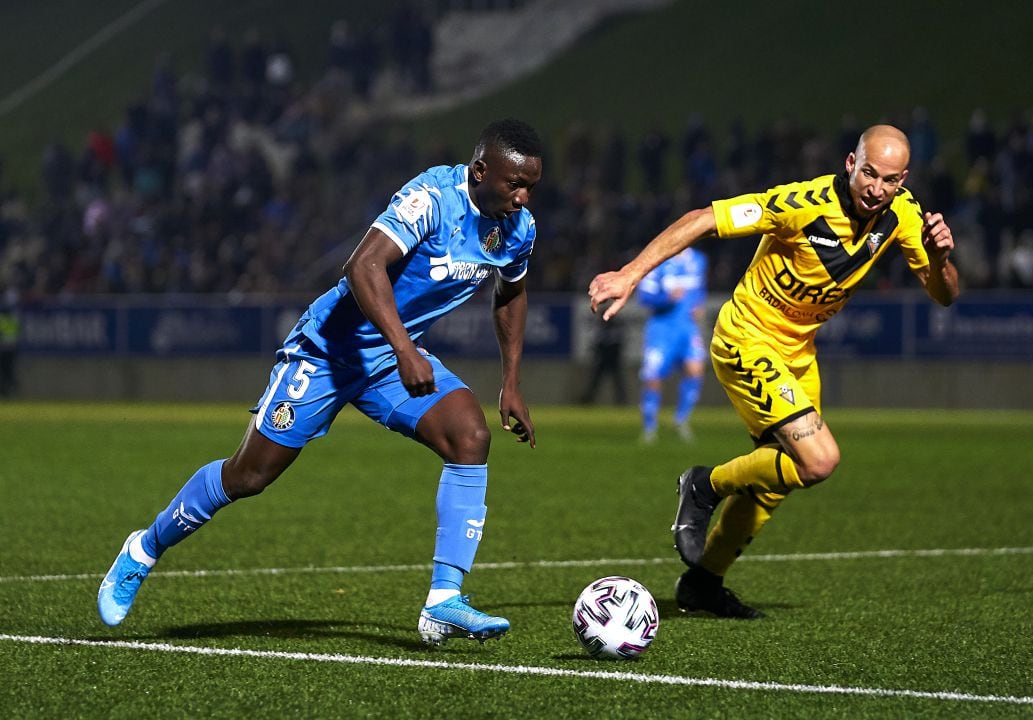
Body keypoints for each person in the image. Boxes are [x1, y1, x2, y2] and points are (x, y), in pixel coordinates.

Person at [97, 118, 544, 645]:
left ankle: (444, 600)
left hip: (389, 360)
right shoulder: (432, 198)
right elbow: (364, 267)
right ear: (480, 170)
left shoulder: (519, 229)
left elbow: (510, 294)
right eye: (513, 184)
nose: (522, 197)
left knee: (470, 437)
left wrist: (510, 382)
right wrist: (405, 350)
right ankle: (143, 549)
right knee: (248, 477)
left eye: (531, 187)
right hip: (329, 351)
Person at [589, 124, 958, 618]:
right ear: (851, 162)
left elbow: (945, 294)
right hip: (746, 337)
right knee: (819, 460)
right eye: (868, 173)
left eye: (889, 180)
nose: (876, 188)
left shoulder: (905, 215)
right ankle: (704, 486)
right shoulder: (800, 204)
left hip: (798, 353)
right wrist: (629, 273)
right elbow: (703, 219)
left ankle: (704, 582)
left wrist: (941, 257)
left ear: (903, 179)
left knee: (778, 478)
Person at [635, 247, 708, 442]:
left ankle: (681, 420)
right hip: (661, 329)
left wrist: (699, 304)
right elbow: (644, 298)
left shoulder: (698, 259)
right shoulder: (656, 260)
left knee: (696, 369)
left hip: (687, 327)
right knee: (652, 377)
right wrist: (667, 298)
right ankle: (650, 428)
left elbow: (699, 288)